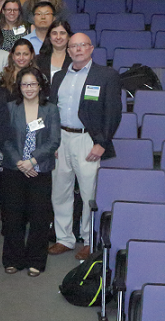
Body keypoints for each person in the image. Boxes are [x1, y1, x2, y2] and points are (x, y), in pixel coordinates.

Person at [50, 32, 121, 260]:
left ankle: (89, 240)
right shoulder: (59, 77)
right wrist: (52, 141)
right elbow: (52, 111)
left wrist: (102, 142)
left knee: (90, 192)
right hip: (61, 138)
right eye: (73, 46)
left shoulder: (106, 75)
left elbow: (113, 112)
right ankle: (64, 238)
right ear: (68, 51)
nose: (78, 49)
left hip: (88, 139)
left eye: (82, 45)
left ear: (91, 49)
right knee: (60, 191)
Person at [1, 67, 61, 276]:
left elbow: (54, 141)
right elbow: (5, 139)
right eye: (25, 84)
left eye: (33, 84)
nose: (29, 88)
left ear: (40, 86)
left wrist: (32, 161)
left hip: (40, 170)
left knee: (39, 217)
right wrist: (20, 162)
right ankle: (13, 259)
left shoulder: (50, 109)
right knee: (13, 216)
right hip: (13, 169)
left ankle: (36, 260)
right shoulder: (9, 108)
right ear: (19, 86)